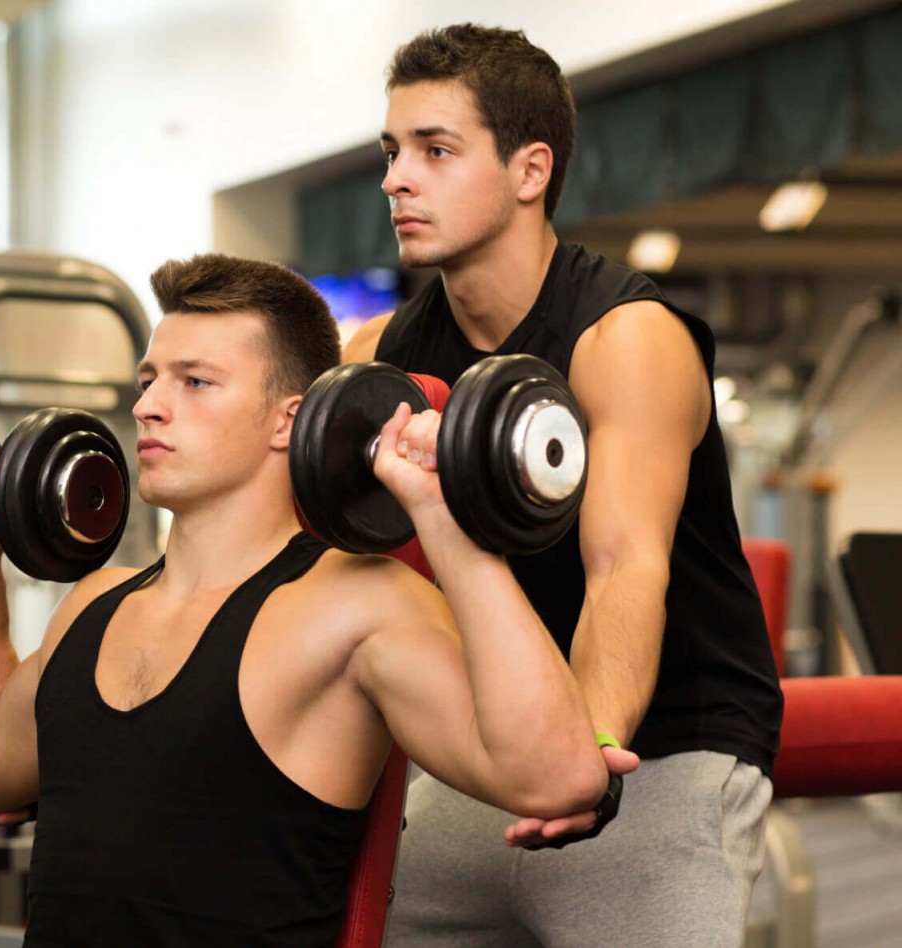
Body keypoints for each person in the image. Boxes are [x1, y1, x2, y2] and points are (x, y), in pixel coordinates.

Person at [0, 252, 623, 945]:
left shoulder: (354, 605)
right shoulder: (94, 602)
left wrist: (442, 512)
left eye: (195, 382)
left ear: (289, 420)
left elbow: (556, 777)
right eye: (148, 381)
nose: (147, 406)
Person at [342, 24, 784, 946]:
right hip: (485, 762)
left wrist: (580, 756)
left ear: (529, 170)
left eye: (435, 150)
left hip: (659, 753)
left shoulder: (624, 337)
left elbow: (625, 564)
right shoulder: (377, 356)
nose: (395, 179)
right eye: (392, 152)